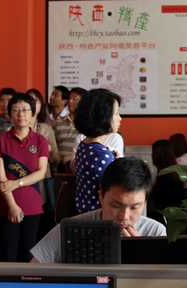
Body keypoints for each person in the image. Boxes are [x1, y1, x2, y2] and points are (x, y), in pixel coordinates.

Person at [30, 156, 166, 263]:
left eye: (134, 207)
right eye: (116, 205)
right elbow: (33, 271)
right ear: (101, 194)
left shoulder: (155, 232)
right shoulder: (70, 230)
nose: (124, 216)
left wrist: (141, 253)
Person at [0, 92, 49, 262]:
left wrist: (16, 183)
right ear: (10, 114)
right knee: (7, 254)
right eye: (16, 110)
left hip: (32, 205)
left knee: (27, 254)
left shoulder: (40, 141)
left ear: (32, 113)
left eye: (25, 109)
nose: (21, 114)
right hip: (5, 205)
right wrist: (12, 205)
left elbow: (41, 172)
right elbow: (1, 179)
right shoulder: (0, 140)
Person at [72, 88, 122, 213]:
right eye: (116, 113)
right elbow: (113, 191)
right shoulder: (102, 154)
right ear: (103, 116)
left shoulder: (84, 145)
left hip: (83, 213)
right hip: (100, 217)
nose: (120, 118)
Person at [26, 88, 61, 239]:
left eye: (36, 101)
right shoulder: (14, 128)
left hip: (42, 181)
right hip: (21, 179)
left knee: (41, 224)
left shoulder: (46, 128)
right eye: (29, 100)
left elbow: (55, 159)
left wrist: (49, 150)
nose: (32, 104)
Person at [149, 139, 187, 224]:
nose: (151, 155)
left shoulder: (164, 173)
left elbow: (153, 194)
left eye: (153, 152)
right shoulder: (173, 169)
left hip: (166, 214)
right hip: (173, 212)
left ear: (159, 154)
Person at [54, 87, 87, 173]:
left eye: (74, 99)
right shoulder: (58, 122)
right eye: (69, 98)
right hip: (59, 170)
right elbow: (53, 145)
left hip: (79, 169)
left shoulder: (87, 124)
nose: (70, 101)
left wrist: (69, 157)